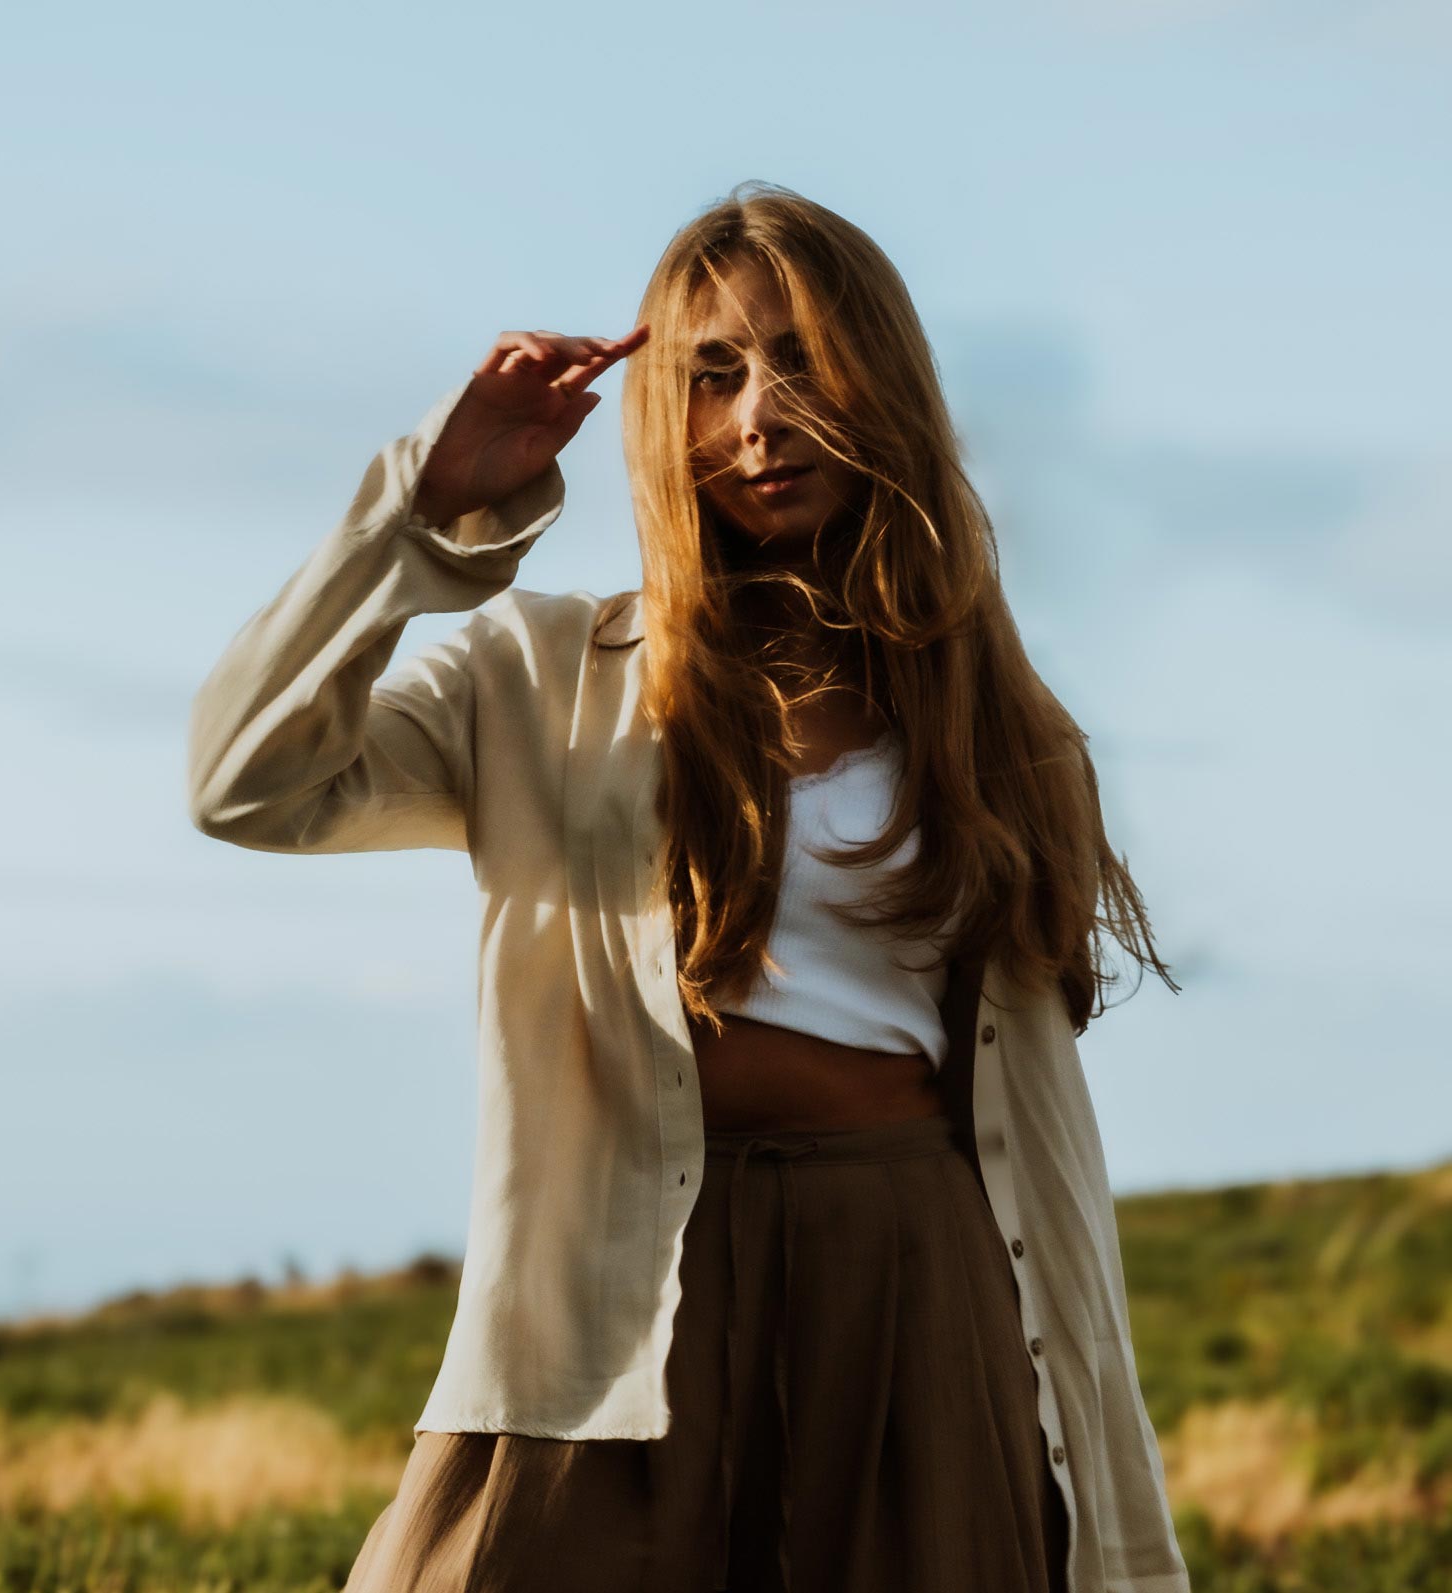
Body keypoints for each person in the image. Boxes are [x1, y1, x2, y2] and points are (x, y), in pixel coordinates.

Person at [186, 180, 1192, 1593]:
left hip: (911, 1273)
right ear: (668, 417)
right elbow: (248, 780)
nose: (760, 415)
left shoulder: (997, 723)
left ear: (883, 388)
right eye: (714, 375)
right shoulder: (537, 680)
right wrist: (421, 513)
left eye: (802, 363)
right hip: (614, 1282)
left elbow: (1024, 1091)